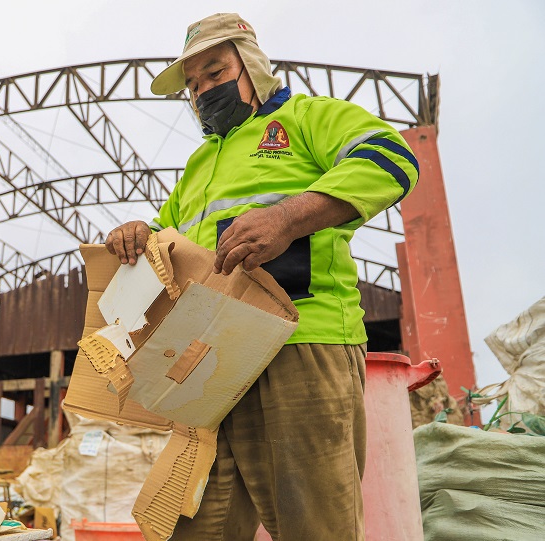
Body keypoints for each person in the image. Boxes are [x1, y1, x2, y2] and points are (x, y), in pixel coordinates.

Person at [104, 13, 419, 541]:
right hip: (210, 362)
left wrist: (287, 218)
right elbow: (169, 240)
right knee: (195, 523)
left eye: (215, 71)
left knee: (313, 525)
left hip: (300, 344)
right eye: (194, 84)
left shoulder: (307, 118)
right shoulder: (200, 164)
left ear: (251, 67)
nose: (204, 90)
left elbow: (391, 158)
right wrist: (139, 232)